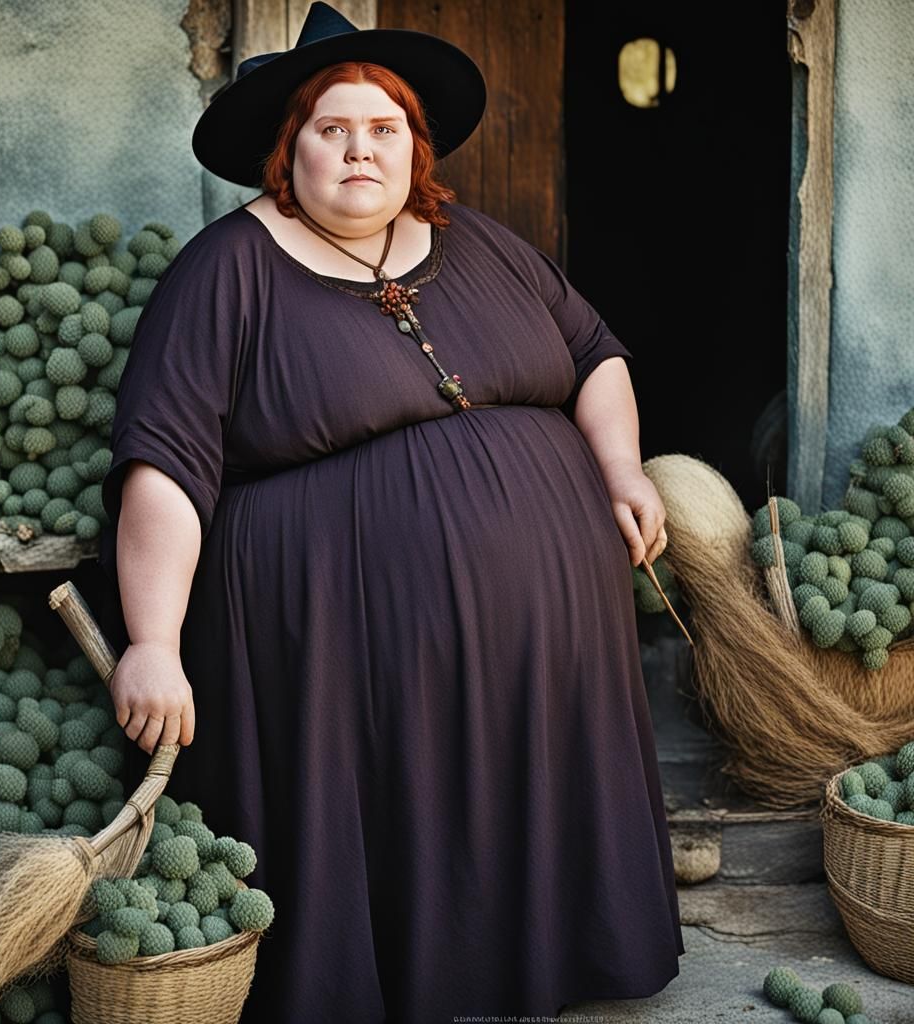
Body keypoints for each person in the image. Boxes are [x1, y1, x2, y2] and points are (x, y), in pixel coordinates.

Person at [97, 2, 685, 1020]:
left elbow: (594, 356)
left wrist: (623, 470)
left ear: (414, 147)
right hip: (337, 645)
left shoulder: (481, 245)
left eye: (385, 129)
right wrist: (151, 641)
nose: (362, 150)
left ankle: (544, 955)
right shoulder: (228, 270)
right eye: (333, 129)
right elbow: (166, 462)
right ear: (290, 152)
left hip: (543, 642)